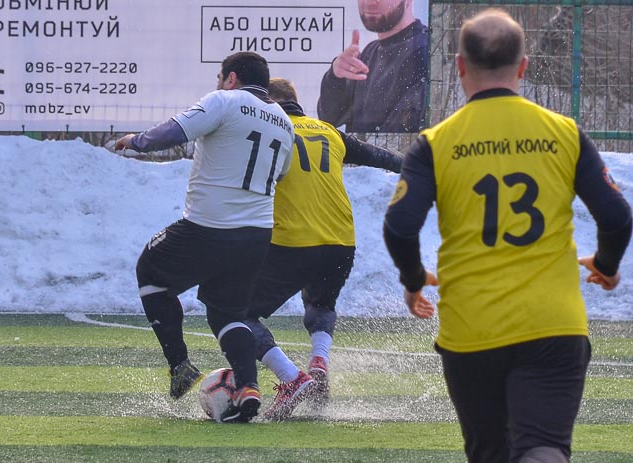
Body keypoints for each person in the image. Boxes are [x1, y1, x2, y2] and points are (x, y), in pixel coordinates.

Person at [383, 9, 631, 463]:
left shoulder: (436, 142)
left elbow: (400, 226)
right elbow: (616, 216)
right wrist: (607, 266)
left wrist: (414, 279)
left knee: (490, 453)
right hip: (553, 325)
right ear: (523, 66)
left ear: (459, 66)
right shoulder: (564, 133)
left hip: (471, 328)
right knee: (543, 447)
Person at [115, 52, 295, 423]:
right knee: (227, 312)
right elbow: (281, 173)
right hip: (256, 235)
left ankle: (180, 365)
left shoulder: (224, 101)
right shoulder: (284, 121)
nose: (216, 84)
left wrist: (136, 140)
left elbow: (173, 132)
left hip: (208, 227)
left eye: (219, 77)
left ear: (231, 78)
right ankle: (247, 386)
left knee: (150, 271)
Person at [245, 77, 404, 421]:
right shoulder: (329, 132)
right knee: (320, 303)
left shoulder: (268, 131)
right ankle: (318, 362)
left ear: (271, 104)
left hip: (294, 244)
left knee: (236, 313)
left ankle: (291, 378)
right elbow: (379, 156)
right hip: (341, 243)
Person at [317, 0, 429, 133]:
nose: (369, 3)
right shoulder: (369, 52)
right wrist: (335, 76)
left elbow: (401, 134)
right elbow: (329, 119)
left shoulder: (424, 51)